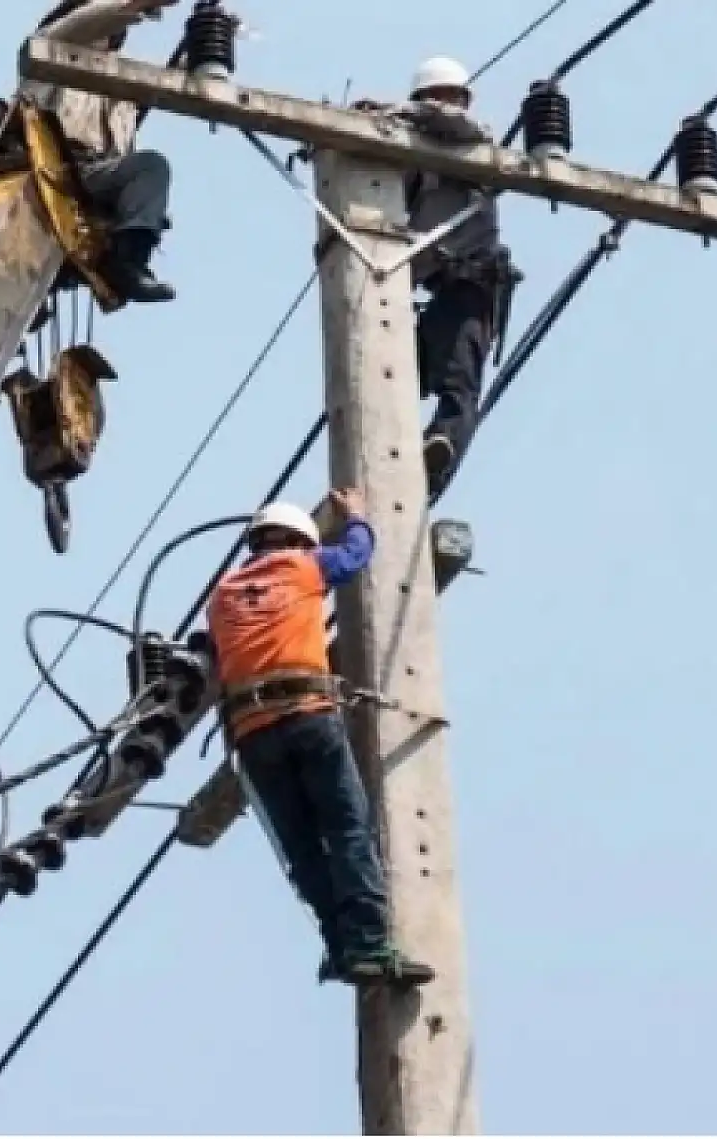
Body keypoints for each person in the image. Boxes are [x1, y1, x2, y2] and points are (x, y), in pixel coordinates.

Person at [205, 492, 434, 987]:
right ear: (298, 541)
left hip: (253, 735)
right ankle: (368, 942)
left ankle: (339, 943)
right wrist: (357, 516)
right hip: (307, 717)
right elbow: (355, 554)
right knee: (348, 828)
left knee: (305, 848)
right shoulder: (302, 568)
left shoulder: (221, 595)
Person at [0, 0, 179, 303]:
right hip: (48, 168)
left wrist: (208, 42)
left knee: (151, 168)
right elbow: (94, 18)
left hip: (91, 179)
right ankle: (0, 286)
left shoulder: (121, 87)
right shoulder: (54, 47)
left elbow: (169, 81)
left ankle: (126, 264)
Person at [359, 57, 520, 496]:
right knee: (388, 375)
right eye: (437, 96)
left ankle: (440, 450)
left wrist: (393, 112)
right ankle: (389, 466)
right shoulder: (413, 162)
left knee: (458, 384)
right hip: (435, 293)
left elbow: (453, 123)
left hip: (470, 288)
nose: (445, 105)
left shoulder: (473, 143)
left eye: (450, 97)